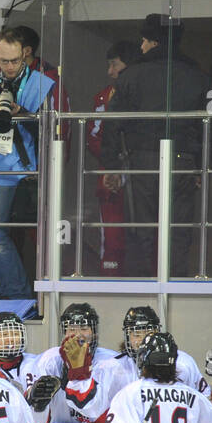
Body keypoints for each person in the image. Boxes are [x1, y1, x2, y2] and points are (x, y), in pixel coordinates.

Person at [109, 15, 209, 276]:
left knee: (141, 231)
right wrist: (203, 166)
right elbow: (206, 125)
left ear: (153, 42)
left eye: (143, 40)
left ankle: (140, 293)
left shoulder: (131, 75)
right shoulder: (196, 75)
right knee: (178, 232)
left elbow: (113, 124)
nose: (140, 46)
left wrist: (110, 167)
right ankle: (177, 287)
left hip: (142, 160)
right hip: (183, 160)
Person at [0, 28, 54, 300]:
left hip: (14, 169)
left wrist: (23, 113)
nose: (8, 67)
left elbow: (49, 128)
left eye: (14, 61)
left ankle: (16, 291)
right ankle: (11, 289)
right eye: (3, 61)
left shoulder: (41, 83)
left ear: (25, 56)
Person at [64, 305, 207, 423]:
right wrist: (78, 374)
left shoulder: (183, 363)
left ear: (158, 332)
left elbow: (204, 403)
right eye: (136, 334)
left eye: (148, 332)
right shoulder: (111, 368)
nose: (143, 340)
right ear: (127, 337)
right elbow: (91, 409)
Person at [87, 39, 135, 276]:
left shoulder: (146, 94)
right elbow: (94, 137)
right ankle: (110, 284)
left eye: (114, 65)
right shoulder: (102, 98)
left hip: (143, 174)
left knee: (150, 235)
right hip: (110, 178)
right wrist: (112, 165)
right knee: (113, 238)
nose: (110, 71)